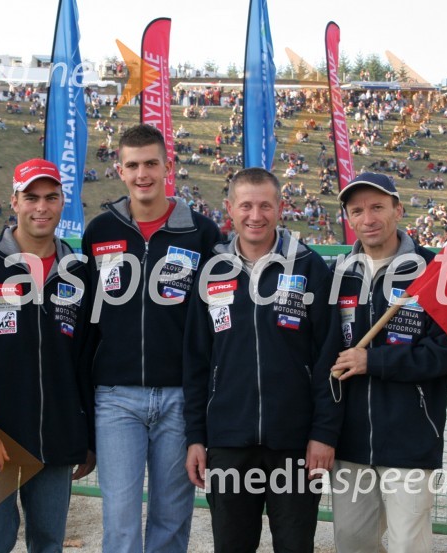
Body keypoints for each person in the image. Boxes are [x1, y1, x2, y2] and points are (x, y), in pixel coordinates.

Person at [183, 168, 339, 552]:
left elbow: (328, 362)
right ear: (230, 209)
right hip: (228, 443)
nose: (256, 215)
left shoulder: (310, 267)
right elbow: (196, 362)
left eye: (265, 205)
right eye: (247, 205)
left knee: (294, 545)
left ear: (280, 208)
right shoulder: (211, 272)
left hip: (295, 444)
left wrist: (323, 434)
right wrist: (196, 438)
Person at [82, 124, 220, 553]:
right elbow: (89, 323)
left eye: (151, 164)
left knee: (171, 520)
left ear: (168, 167)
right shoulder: (100, 231)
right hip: (116, 398)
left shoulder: (202, 233)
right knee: (119, 523)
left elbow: (217, 321)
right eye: (133, 165)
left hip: (180, 398)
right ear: (120, 171)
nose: (143, 174)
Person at [0, 158, 96, 552]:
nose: (41, 207)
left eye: (51, 197)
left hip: (57, 435)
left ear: (63, 201)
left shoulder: (78, 271)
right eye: (31, 197)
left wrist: (88, 435)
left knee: (48, 543)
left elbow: (85, 360)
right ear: (13, 202)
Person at [329, 173, 447, 552]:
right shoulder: (338, 276)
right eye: (357, 211)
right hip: (350, 443)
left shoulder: (433, 270)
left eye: (377, 207)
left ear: (398, 210)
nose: (368, 218)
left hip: (410, 439)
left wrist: (375, 361)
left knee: (408, 544)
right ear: (349, 219)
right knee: (352, 543)